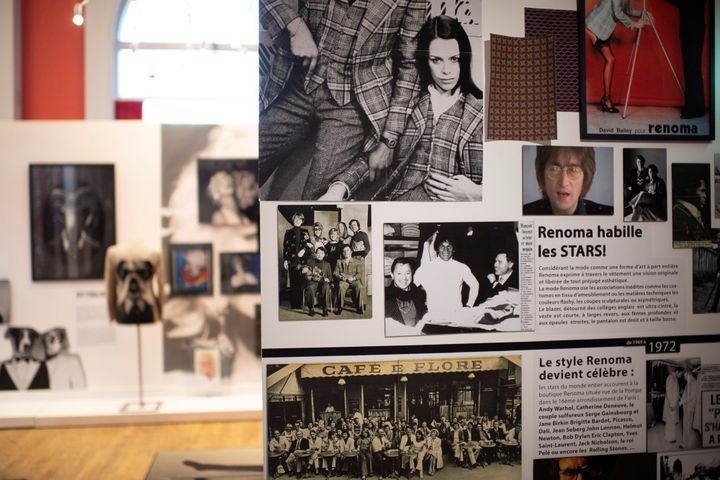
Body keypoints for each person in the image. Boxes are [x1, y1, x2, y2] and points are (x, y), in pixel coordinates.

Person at [259, 0, 427, 200]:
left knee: (318, 206)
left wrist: (389, 139)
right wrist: (295, 27)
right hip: (298, 84)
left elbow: (411, 66)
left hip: (351, 105)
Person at [321, 15, 483, 201]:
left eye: (454, 59)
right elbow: (373, 159)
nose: (447, 70)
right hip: (398, 206)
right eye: (436, 60)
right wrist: (339, 188)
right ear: (425, 61)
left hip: (446, 218)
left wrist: (478, 194)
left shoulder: (479, 111)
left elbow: (506, 182)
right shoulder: (407, 104)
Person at [585, 0, 647, 113]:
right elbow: (618, 13)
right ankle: (606, 99)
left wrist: (643, 13)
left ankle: (606, 99)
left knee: (610, 60)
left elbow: (626, 10)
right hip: (595, 26)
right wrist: (634, 24)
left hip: (602, 30)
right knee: (610, 60)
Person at [524, 146, 613, 215]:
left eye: (574, 170)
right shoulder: (524, 213)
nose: (563, 182)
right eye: (554, 169)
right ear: (542, 176)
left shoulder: (609, 214)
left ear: (585, 178)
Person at [414, 233, 479, 322]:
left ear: (454, 249)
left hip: (456, 317)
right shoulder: (426, 267)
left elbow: (475, 284)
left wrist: (469, 305)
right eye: (442, 246)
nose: (446, 250)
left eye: (449, 246)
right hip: (433, 317)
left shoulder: (461, 267)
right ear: (437, 248)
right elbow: (413, 286)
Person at [669, 0, 707, 119]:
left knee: (692, 69)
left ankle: (695, 108)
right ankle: (695, 106)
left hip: (693, 31)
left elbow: (683, 4)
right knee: (691, 69)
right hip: (691, 31)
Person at [385, 258, 428, 327]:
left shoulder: (420, 294)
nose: (404, 277)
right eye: (399, 273)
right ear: (392, 275)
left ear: (412, 274)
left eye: (407, 273)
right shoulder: (384, 296)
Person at [673, 173, 710, 243]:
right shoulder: (678, 212)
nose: (705, 196)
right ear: (691, 191)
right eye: (702, 191)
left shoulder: (688, 211)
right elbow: (682, 244)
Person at [283, 212, 309, 309]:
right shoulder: (288, 232)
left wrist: (304, 250)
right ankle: (294, 305)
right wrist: (285, 260)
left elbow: (309, 245)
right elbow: (285, 247)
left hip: (302, 261)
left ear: (302, 221)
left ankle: (300, 303)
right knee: (293, 283)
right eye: (296, 219)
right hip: (292, 261)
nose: (297, 221)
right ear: (293, 220)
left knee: (301, 283)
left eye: (300, 219)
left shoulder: (305, 232)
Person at [334, 245, 367, 315]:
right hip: (344, 280)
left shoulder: (357, 262)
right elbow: (335, 273)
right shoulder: (339, 261)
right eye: (344, 251)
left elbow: (359, 274)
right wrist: (341, 277)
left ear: (351, 252)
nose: (346, 252)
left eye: (348, 250)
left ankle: (359, 307)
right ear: (342, 253)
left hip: (354, 280)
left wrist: (354, 278)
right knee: (340, 286)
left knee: (360, 287)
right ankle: (340, 307)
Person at [302, 247, 333, 317]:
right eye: (318, 253)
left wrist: (328, 279)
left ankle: (325, 309)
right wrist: (306, 272)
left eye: (322, 253)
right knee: (310, 287)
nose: (319, 255)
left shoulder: (327, 264)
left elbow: (330, 276)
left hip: (323, 282)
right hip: (313, 281)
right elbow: (306, 273)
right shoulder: (310, 261)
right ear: (315, 254)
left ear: (324, 255)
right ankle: (311, 309)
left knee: (326, 287)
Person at [663, 367, 681, 443]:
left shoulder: (674, 378)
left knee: (671, 421)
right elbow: (669, 392)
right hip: (671, 404)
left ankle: (668, 437)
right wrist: (672, 404)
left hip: (673, 403)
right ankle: (669, 438)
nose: (681, 375)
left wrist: (679, 397)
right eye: (680, 373)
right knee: (670, 421)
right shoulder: (670, 378)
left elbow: (675, 391)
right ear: (677, 371)